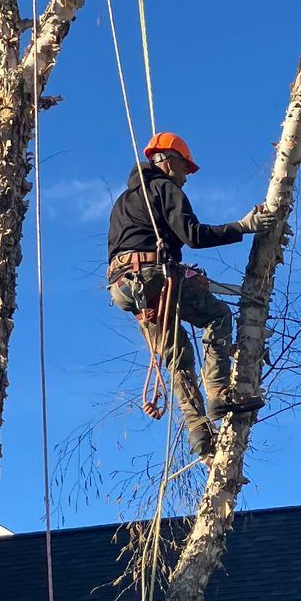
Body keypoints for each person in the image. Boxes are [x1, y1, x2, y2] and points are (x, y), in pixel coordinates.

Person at [107, 131, 269, 459]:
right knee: (218, 315)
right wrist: (243, 226)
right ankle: (219, 392)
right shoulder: (164, 188)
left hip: (127, 289)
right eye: (185, 169)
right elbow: (193, 236)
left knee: (177, 355)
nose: (186, 178)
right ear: (169, 161)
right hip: (154, 276)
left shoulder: (122, 202)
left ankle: (199, 432)